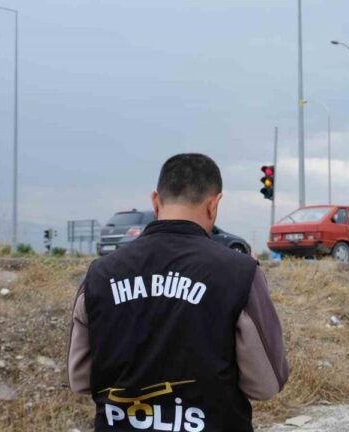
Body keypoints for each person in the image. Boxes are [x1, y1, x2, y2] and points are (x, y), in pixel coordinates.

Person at [67, 153, 288, 432]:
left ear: (155, 201)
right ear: (214, 204)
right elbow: (265, 383)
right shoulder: (240, 273)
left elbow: (80, 379)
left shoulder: (99, 274)